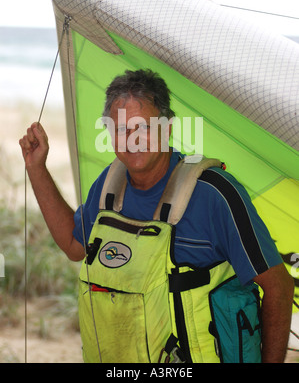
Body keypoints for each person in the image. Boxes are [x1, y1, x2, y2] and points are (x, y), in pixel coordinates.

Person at [20, 69, 294, 363]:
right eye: (121, 129)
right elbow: (74, 247)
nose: (133, 139)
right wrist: (36, 168)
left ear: (168, 128)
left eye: (144, 127)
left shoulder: (215, 195)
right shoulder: (110, 187)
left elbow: (278, 285)